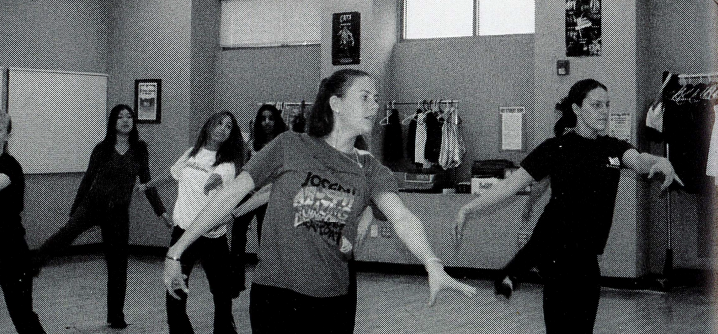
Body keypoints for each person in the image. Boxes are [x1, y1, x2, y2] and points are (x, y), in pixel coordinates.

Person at [164, 69, 476, 333]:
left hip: (331, 299)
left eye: (376, 99)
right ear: (336, 104)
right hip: (275, 295)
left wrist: (432, 263)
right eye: (365, 97)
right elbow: (230, 194)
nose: (375, 106)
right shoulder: (289, 145)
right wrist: (177, 251)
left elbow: (402, 218)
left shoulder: (369, 169)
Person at [454, 79, 683, 333]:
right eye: (596, 105)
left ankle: (511, 273)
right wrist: (469, 208)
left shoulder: (613, 148)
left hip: (587, 258)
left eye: (606, 105)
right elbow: (510, 186)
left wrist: (659, 161)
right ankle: (512, 272)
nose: (604, 111)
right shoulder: (555, 148)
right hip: (557, 256)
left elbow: (640, 160)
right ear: (577, 108)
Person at [34, 104, 170, 329]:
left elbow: (146, 184)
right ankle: (34, 263)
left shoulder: (140, 149)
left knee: (118, 265)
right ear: (113, 122)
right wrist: (74, 212)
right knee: (66, 233)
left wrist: (162, 212)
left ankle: (116, 315)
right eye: (120, 117)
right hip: (92, 205)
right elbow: (87, 180)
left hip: (118, 213)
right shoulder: (102, 148)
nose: (125, 120)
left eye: (129, 116)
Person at [143, 111, 244, 333]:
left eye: (228, 127)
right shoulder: (191, 153)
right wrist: (148, 185)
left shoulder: (228, 164)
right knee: (176, 290)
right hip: (183, 233)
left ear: (231, 134)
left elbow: (219, 180)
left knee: (222, 293)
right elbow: (173, 174)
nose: (222, 129)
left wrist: (213, 181)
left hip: (212, 236)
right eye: (219, 123)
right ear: (208, 126)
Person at [229, 104, 287, 298]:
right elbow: (244, 168)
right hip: (249, 193)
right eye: (263, 118)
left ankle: (268, 280)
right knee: (237, 235)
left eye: (270, 118)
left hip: (270, 196)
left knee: (266, 238)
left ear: (276, 120)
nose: (267, 122)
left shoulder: (284, 143)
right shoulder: (252, 144)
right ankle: (236, 280)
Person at [0, 112, 47, 334]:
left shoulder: (10, 167)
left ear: (7, 135)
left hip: (11, 251)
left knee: (22, 316)